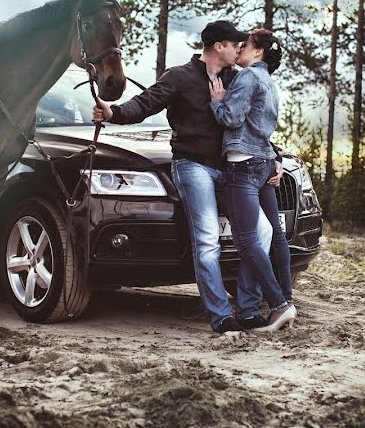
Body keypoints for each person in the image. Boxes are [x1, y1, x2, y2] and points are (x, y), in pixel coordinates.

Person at [92, 20, 283, 334]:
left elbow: (253, 123)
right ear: (218, 46)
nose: (240, 47)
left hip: (229, 169)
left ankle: (248, 310)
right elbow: (145, 103)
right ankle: (222, 316)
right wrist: (113, 113)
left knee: (261, 232)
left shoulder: (237, 78)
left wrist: (274, 156)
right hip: (192, 166)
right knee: (208, 238)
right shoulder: (180, 76)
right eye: (235, 43)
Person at [209, 28, 295, 331]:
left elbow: (231, 119)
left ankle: (279, 304)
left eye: (245, 45)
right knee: (271, 235)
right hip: (262, 163)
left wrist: (218, 101)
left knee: (247, 240)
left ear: (257, 52)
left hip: (242, 165)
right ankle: (281, 300)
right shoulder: (270, 83)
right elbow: (263, 128)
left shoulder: (248, 77)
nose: (241, 49)